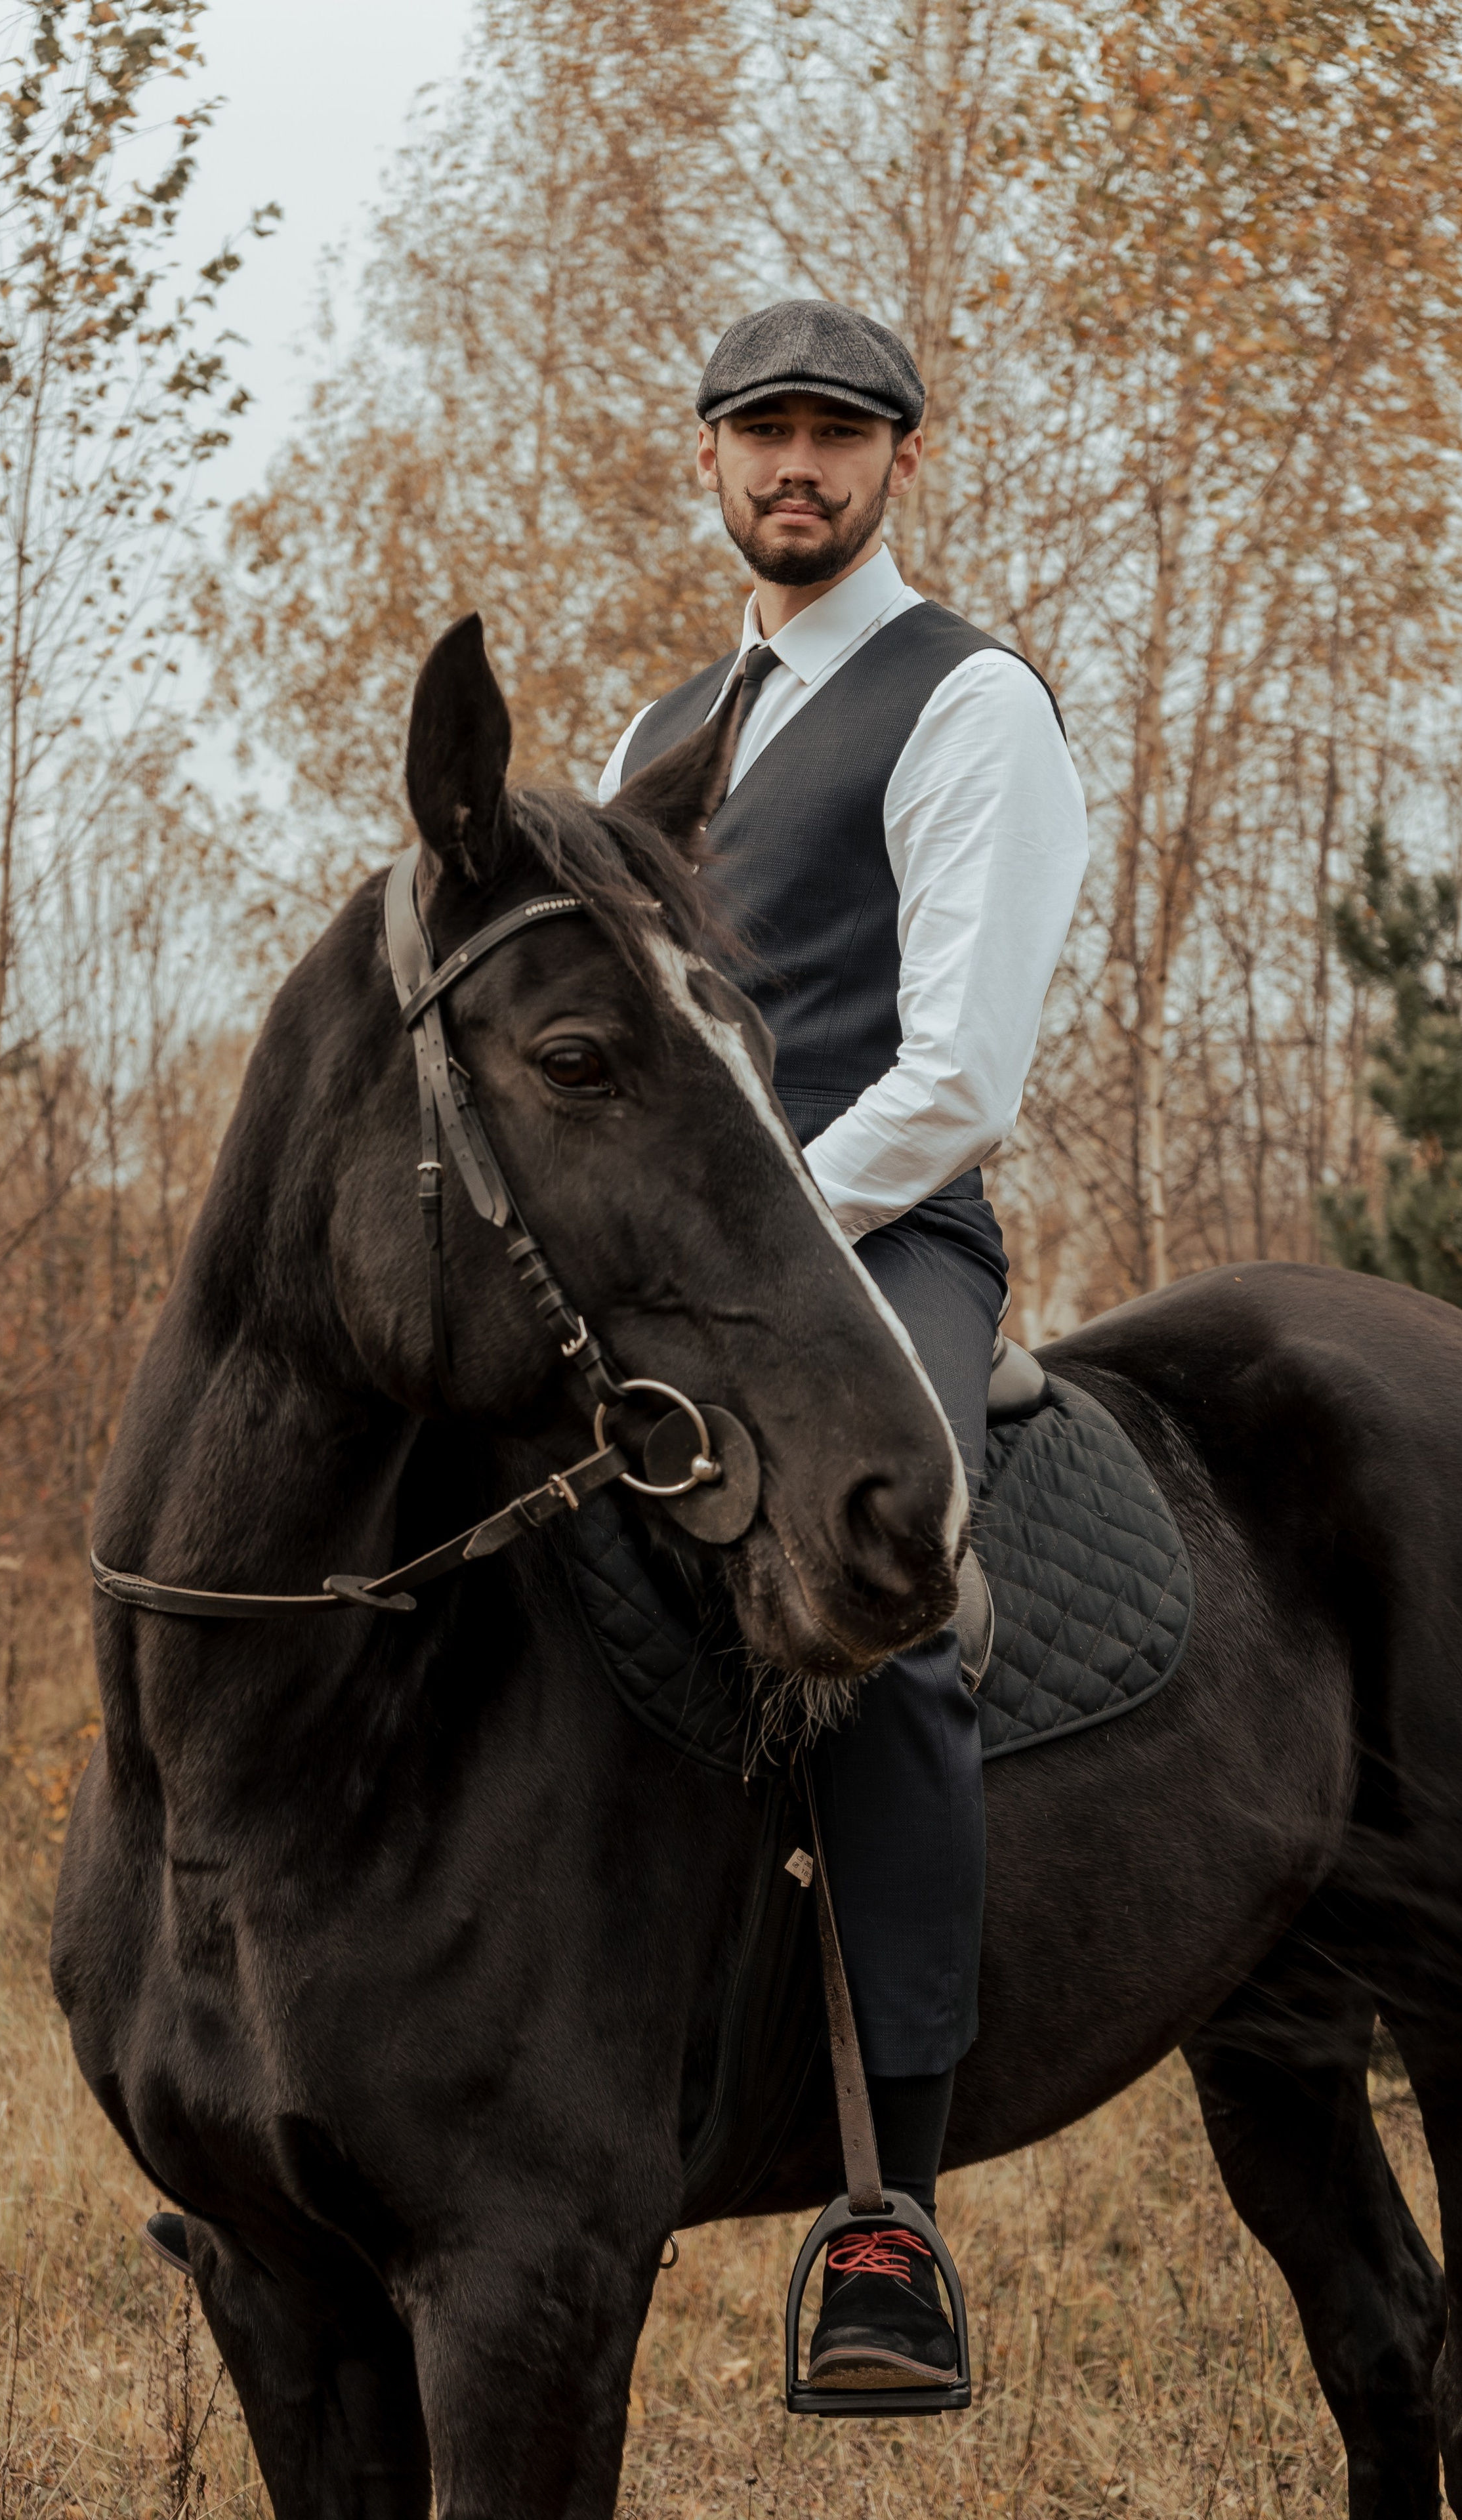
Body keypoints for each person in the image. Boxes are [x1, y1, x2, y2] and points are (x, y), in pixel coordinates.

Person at [597, 299, 1088, 2390]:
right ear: (705, 461)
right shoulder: (651, 740)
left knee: (881, 1591)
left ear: (899, 461)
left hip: (884, 1238)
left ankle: (890, 2209)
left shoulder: (968, 702)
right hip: (668, 1257)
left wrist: (760, 1220)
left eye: (836, 433)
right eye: (760, 432)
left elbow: (964, 1066)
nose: (796, 466)